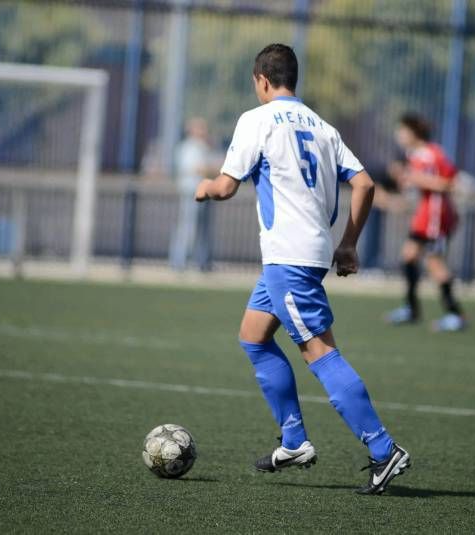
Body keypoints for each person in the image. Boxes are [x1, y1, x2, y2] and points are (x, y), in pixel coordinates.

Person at [194, 44, 409, 495]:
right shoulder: (323, 126)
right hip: (303, 254)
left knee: (318, 351)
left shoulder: (257, 119)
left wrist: (205, 186)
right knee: (253, 335)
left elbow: (227, 187)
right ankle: (293, 441)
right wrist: (348, 243)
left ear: (261, 81)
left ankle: (384, 449)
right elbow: (365, 183)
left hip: (288, 257)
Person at [385, 114, 466, 331]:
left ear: (413, 133)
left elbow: (450, 182)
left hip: (436, 217)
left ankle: (455, 314)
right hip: (425, 216)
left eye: (402, 130)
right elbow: (413, 184)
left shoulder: (432, 153)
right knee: (409, 257)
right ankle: (411, 309)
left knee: (434, 263)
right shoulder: (414, 155)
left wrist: (415, 178)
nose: (399, 135)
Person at [169, 118, 218, 272]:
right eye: (200, 128)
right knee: (188, 227)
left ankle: (203, 263)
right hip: (192, 192)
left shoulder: (204, 147)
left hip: (205, 191)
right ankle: (178, 262)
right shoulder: (189, 147)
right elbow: (198, 169)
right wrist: (213, 169)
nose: (204, 131)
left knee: (203, 229)